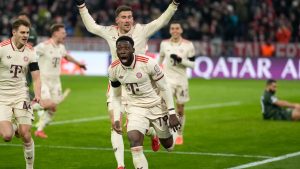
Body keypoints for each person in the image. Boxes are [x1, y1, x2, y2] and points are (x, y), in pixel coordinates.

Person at [75, 0, 182, 168]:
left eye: (130, 17)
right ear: (117, 20)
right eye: (123, 17)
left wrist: (174, 4)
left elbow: (161, 21)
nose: (127, 20)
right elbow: (92, 27)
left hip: (145, 85)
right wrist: (82, 6)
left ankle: (153, 131)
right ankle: (120, 164)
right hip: (120, 82)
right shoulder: (110, 32)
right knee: (115, 121)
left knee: (167, 144)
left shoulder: (141, 30)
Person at [109, 36, 181, 169]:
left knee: (169, 146)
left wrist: (171, 113)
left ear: (133, 50)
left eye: (126, 48)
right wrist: (117, 118)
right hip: (135, 108)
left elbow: (164, 87)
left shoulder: (148, 63)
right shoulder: (114, 69)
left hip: (157, 106)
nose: (123, 51)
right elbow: (116, 97)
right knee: (134, 142)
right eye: (119, 49)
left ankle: (158, 132)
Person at [0, 19, 41, 169]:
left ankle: (29, 167)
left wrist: (37, 94)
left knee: (25, 133)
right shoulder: (2, 49)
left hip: (21, 94)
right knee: (7, 136)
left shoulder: (31, 51)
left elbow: (36, 76)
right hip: (2, 97)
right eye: (22, 32)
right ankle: (14, 127)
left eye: (27, 33)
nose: (26, 35)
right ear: (14, 32)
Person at [34, 23, 86, 138]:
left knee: (53, 108)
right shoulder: (44, 46)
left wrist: (79, 64)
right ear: (55, 33)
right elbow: (30, 54)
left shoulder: (61, 47)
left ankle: (39, 130)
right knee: (49, 103)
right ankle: (27, 108)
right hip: (43, 80)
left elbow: (67, 56)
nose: (65, 35)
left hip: (56, 81)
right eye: (63, 33)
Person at [158, 21, 195, 145]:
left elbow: (193, 64)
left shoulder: (188, 45)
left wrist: (180, 60)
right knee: (165, 107)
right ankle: (164, 133)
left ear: (181, 30)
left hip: (181, 81)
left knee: (180, 109)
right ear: (170, 30)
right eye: (172, 28)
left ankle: (179, 133)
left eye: (177, 28)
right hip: (168, 80)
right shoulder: (164, 44)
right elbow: (160, 59)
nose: (175, 30)